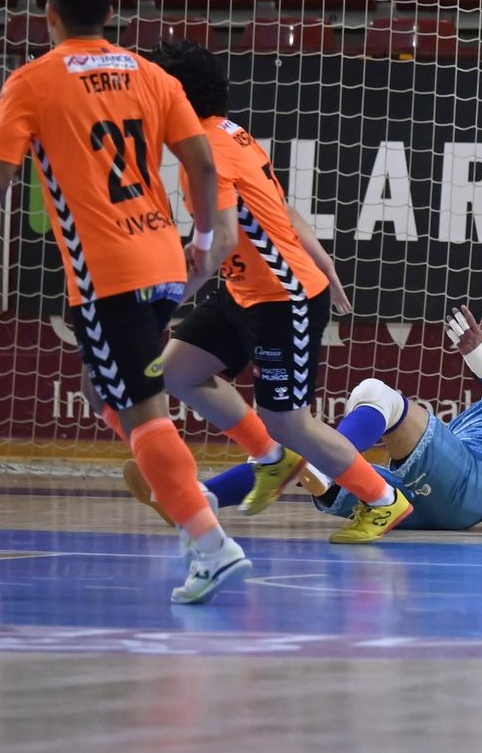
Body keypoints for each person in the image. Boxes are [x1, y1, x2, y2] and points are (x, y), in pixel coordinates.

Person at [0, 0, 262, 603]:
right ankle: (187, 497)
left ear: (50, 15)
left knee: (141, 413)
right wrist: (203, 243)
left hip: (107, 275)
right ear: (112, 13)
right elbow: (200, 164)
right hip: (164, 262)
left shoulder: (31, 83)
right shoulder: (150, 75)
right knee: (108, 392)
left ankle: (208, 540)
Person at [145, 39, 412, 544]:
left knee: (288, 420)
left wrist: (162, 304)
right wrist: (325, 260)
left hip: (283, 298)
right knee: (178, 371)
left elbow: (219, 242)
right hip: (245, 289)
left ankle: (382, 498)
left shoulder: (207, 152)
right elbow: (281, 213)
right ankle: (270, 457)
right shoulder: (231, 134)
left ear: (174, 97)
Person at [127, 307, 482, 535]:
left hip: (475, 487)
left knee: (375, 395)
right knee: (305, 452)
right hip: (440, 507)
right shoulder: (480, 406)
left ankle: (308, 466)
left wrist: (478, 356)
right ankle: (197, 502)